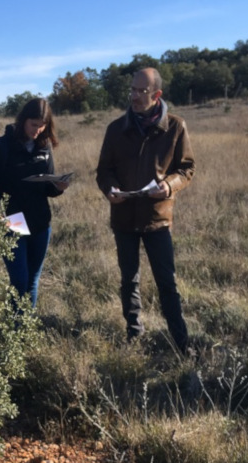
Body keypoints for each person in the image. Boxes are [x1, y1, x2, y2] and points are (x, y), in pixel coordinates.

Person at [95, 67, 195, 352]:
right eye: (133, 89)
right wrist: (110, 190)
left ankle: (181, 341)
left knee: (167, 282)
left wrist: (169, 186)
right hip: (124, 217)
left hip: (157, 218)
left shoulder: (175, 127)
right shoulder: (116, 129)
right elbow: (104, 171)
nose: (135, 96)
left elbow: (187, 168)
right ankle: (134, 333)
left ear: (157, 94)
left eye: (142, 91)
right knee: (129, 280)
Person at [0, 98, 68, 308]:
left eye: (43, 126)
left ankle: (24, 333)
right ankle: (13, 331)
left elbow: (48, 186)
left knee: (32, 281)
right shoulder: (1, 147)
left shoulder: (45, 146)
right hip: (13, 220)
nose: (38, 130)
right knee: (19, 281)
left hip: (40, 222)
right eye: (34, 124)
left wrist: (57, 188)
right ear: (23, 120)